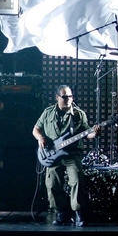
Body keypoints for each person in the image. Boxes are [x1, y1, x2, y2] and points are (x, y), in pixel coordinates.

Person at [32, 85, 100, 227]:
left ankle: (79, 213)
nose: (68, 99)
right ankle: (62, 213)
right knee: (52, 185)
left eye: (70, 96)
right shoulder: (48, 112)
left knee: (77, 181)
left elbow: (87, 133)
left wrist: (95, 133)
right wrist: (41, 138)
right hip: (51, 154)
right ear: (57, 97)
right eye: (64, 97)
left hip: (72, 154)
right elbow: (36, 129)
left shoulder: (79, 114)